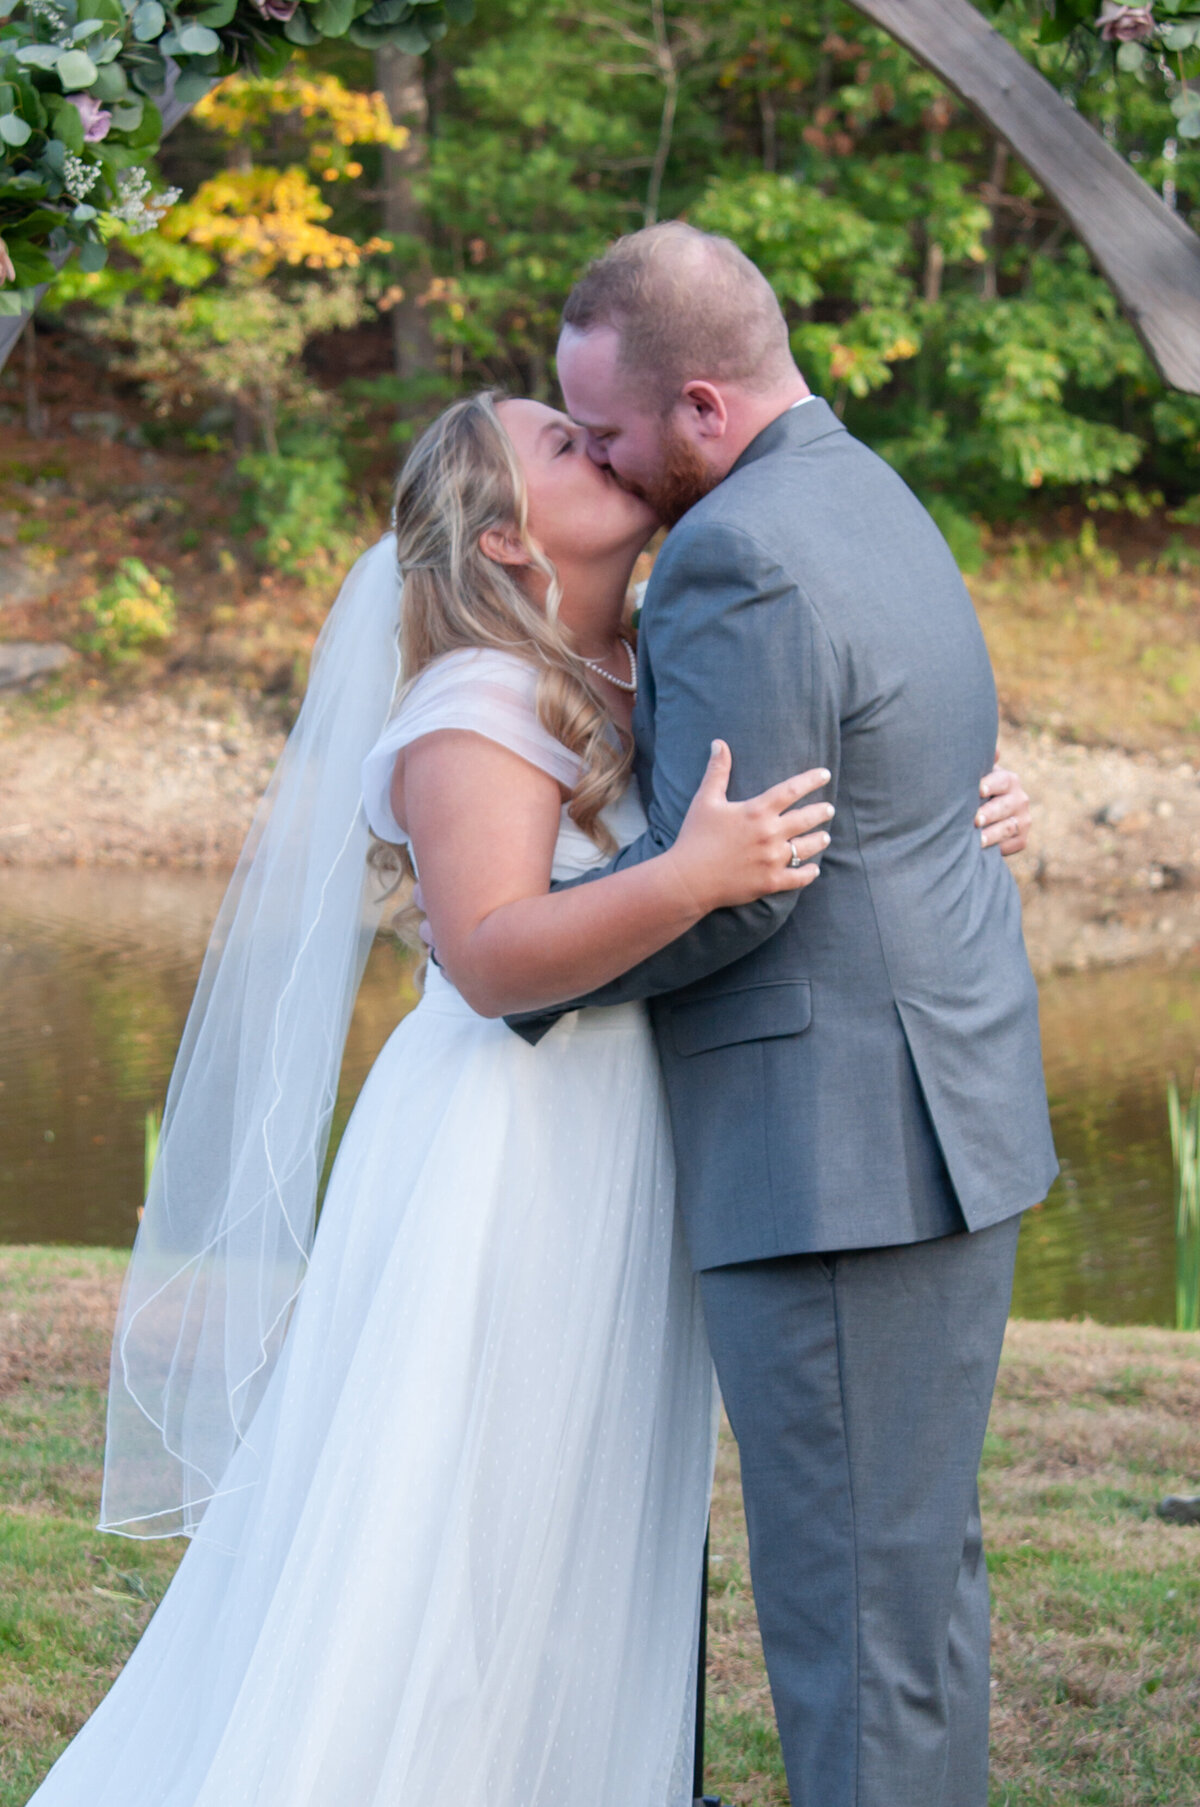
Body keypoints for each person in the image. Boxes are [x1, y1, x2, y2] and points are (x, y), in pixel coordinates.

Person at [26, 386, 1032, 1807]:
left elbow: (812, 787)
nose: (600, 443)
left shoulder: (652, 663)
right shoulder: (473, 704)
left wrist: (956, 798)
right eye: (562, 442)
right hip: (502, 1157)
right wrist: (691, 875)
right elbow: (491, 955)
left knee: (588, 1517)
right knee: (472, 1519)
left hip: (624, 1142)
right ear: (501, 535)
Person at [509, 222, 1059, 1807]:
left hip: (838, 1155)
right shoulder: (865, 490)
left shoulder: (735, 557)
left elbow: (742, 885)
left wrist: (514, 971)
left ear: (697, 408)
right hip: (933, 1114)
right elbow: (914, 783)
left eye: (606, 429)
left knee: (855, 1621)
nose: (600, 462)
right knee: (908, 1597)